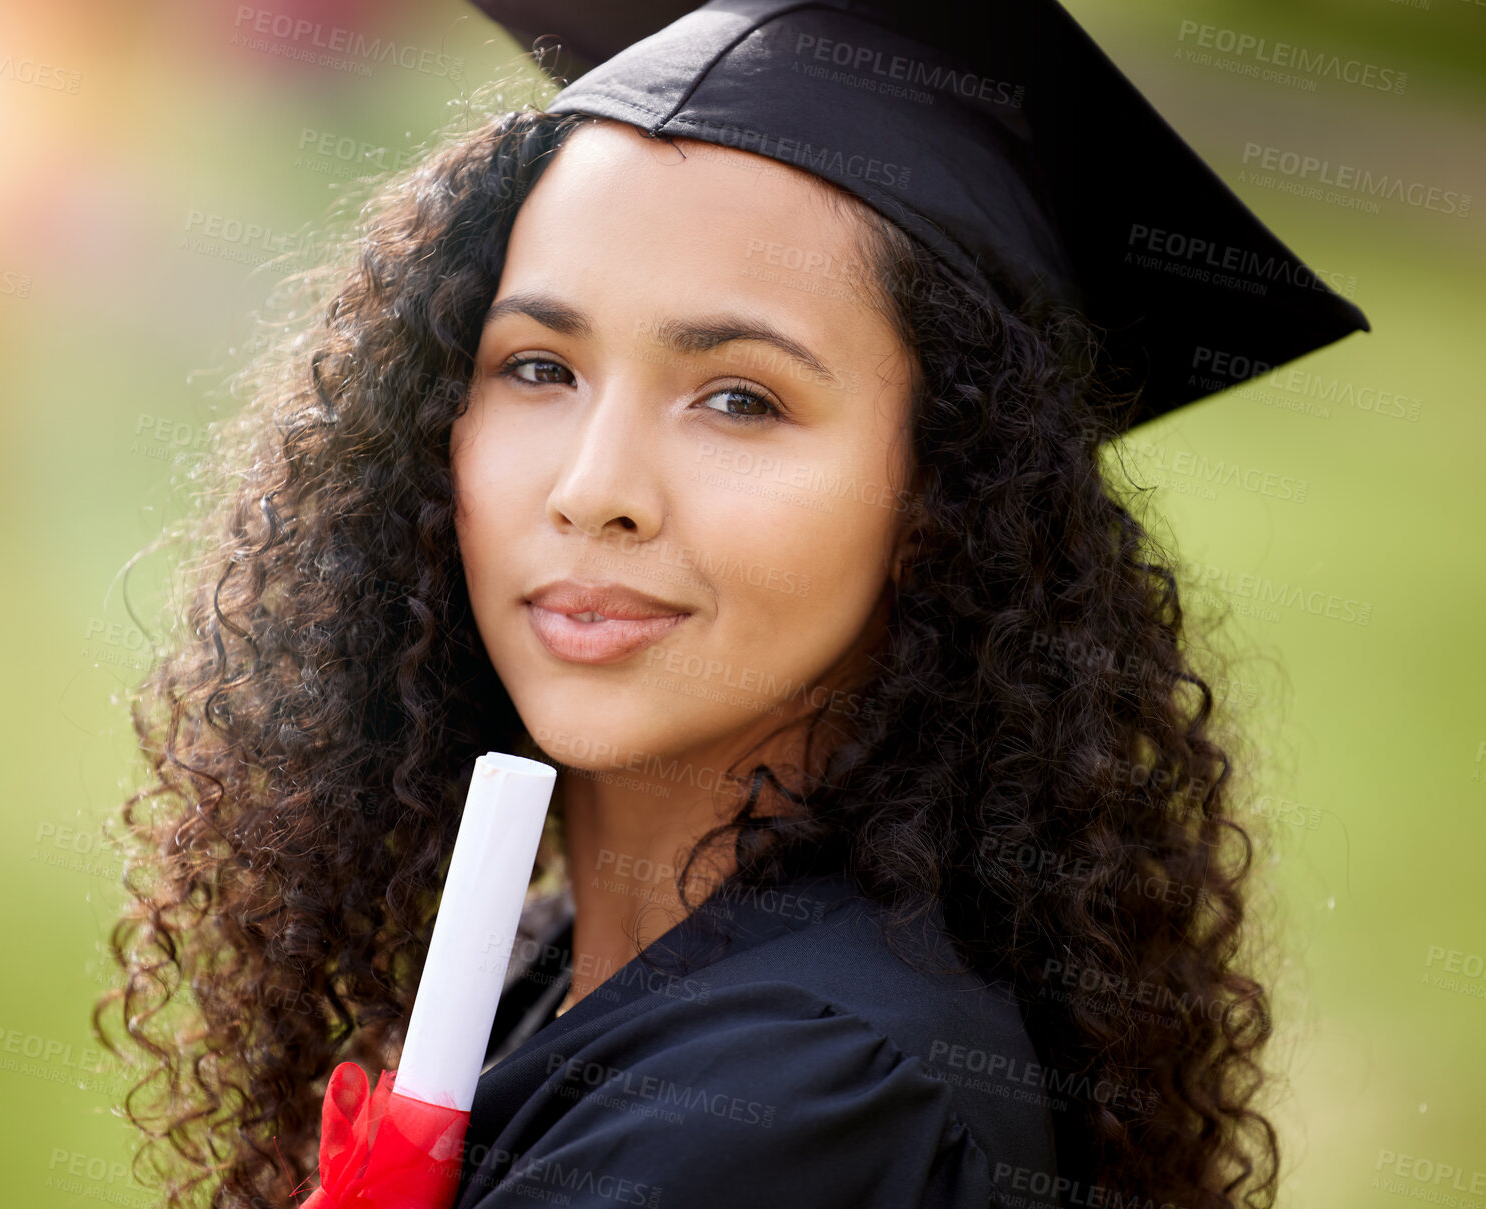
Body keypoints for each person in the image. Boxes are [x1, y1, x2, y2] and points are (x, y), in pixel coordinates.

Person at [92, 3, 1369, 1208]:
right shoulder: (556, 958)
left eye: (740, 397)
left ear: (945, 498)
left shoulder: (792, 1109)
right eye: (538, 367)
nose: (596, 493)